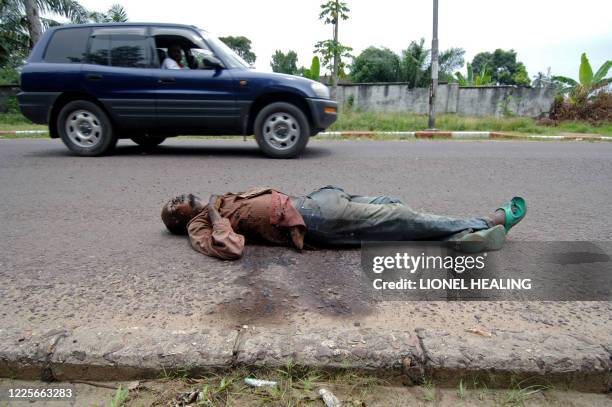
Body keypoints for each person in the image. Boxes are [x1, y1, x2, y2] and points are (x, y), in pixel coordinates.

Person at [161, 186, 527, 260]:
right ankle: (484, 224)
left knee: (393, 205)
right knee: (399, 218)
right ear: (180, 221)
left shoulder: (216, 201)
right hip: (315, 218)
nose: (178, 197)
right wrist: (210, 212)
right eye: (173, 205)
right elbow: (230, 247)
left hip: (318, 200)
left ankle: (462, 235)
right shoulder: (201, 225)